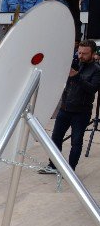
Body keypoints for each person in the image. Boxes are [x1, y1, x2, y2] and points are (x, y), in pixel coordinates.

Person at [40, 40, 100, 174]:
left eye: (85, 53)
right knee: (55, 138)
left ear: (93, 53)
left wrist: (76, 76)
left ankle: (70, 170)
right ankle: (53, 165)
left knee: (76, 142)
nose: (81, 56)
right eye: (79, 52)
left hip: (81, 112)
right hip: (65, 109)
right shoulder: (74, 63)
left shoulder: (96, 70)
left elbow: (92, 89)